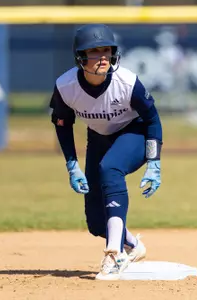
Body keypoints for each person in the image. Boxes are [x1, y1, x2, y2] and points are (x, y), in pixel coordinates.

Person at [49, 24, 163, 280]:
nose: (102, 56)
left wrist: (154, 162)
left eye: (106, 50)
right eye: (94, 51)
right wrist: (71, 165)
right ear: (80, 56)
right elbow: (63, 124)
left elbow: (153, 119)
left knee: (110, 168)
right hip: (98, 138)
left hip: (134, 132)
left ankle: (114, 254)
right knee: (96, 223)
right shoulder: (66, 86)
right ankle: (133, 246)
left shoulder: (127, 82)